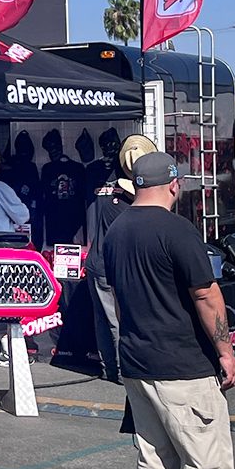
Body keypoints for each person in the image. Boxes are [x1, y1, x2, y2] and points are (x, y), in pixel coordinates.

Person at [104, 151, 235, 469]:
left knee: (155, 457)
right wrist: (226, 351)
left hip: (138, 361)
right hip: (182, 363)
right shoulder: (177, 229)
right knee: (205, 460)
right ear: (174, 185)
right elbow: (206, 294)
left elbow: (117, 296)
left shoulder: (116, 230)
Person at [82, 133, 158, 384]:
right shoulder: (127, 208)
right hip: (109, 268)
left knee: (103, 321)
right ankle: (122, 371)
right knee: (116, 321)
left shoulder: (110, 201)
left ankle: (110, 369)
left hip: (97, 264)